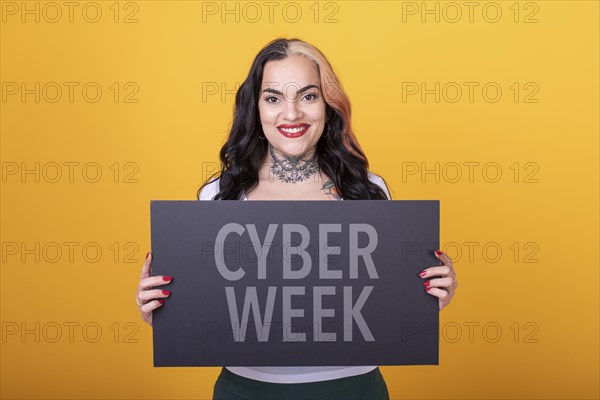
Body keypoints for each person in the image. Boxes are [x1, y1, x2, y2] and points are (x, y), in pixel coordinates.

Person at [136, 37, 458, 400]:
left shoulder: (367, 190)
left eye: (308, 96)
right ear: (255, 108)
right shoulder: (217, 195)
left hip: (354, 388)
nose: (291, 114)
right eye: (273, 98)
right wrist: (164, 311)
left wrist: (429, 295)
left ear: (328, 105)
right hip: (246, 390)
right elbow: (202, 309)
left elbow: (386, 303)